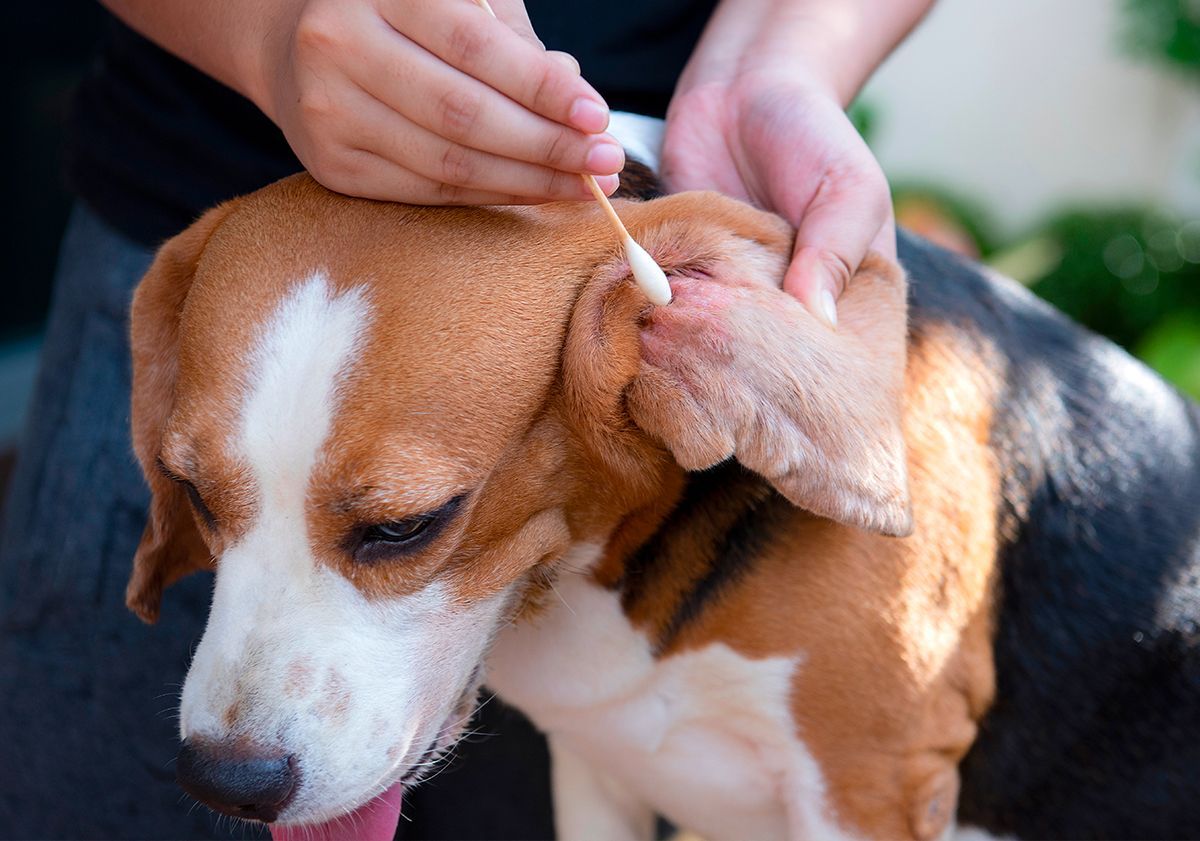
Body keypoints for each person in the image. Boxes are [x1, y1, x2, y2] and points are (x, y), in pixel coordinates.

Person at [0, 0, 932, 837]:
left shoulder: (659, 319)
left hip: (638, 213)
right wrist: (266, 30)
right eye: (207, 492)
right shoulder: (193, 313)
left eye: (394, 523)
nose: (229, 733)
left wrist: (779, 54)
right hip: (205, 215)